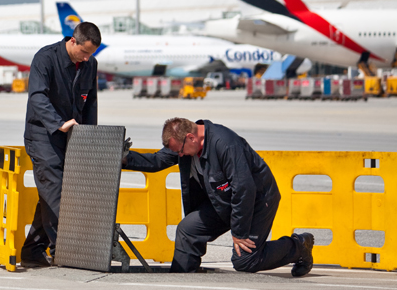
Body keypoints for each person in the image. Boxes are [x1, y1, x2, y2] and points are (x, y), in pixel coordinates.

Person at [122, 118, 314, 276]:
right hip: (225, 201)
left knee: (245, 261)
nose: (179, 155)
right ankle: (182, 277)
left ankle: (299, 246)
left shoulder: (226, 144)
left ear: (191, 138)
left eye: (179, 151)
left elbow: (244, 188)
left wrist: (239, 233)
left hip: (256, 201)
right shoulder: (185, 143)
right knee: (188, 229)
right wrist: (123, 157)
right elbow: (157, 161)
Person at [20, 22, 101, 268]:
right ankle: (64, 251)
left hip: (72, 135)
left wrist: (90, 137)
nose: (87, 58)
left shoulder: (90, 65)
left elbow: (91, 104)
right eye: (84, 52)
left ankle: (33, 251)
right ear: (73, 41)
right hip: (43, 133)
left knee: (54, 193)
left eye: (91, 54)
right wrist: (58, 124)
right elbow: (37, 97)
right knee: (55, 190)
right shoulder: (45, 59)